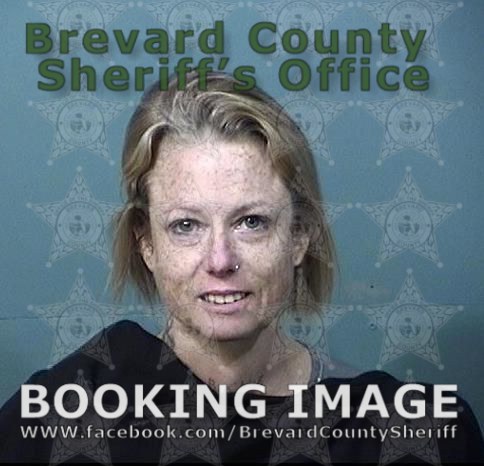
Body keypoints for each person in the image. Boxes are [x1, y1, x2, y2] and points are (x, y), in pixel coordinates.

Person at [0, 72, 483, 465]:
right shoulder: (61, 416)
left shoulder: (412, 433)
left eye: (251, 222)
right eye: (186, 225)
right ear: (146, 243)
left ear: (299, 235)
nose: (220, 260)